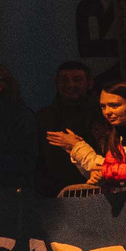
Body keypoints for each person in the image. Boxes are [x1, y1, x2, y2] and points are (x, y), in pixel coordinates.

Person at [51, 76, 126, 192]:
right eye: (103, 107)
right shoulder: (120, 131)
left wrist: (107, 172)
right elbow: (111, 165)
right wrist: (99, 175)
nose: (107, 112)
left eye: (114, 105)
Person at [35, 61, 107, 198]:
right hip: (54, 197)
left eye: (77, 80)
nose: (70, 85)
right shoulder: (44, 117)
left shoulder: (103, 114)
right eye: (64, 80)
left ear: (90, 83)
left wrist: (77, 146)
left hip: (99, 191)